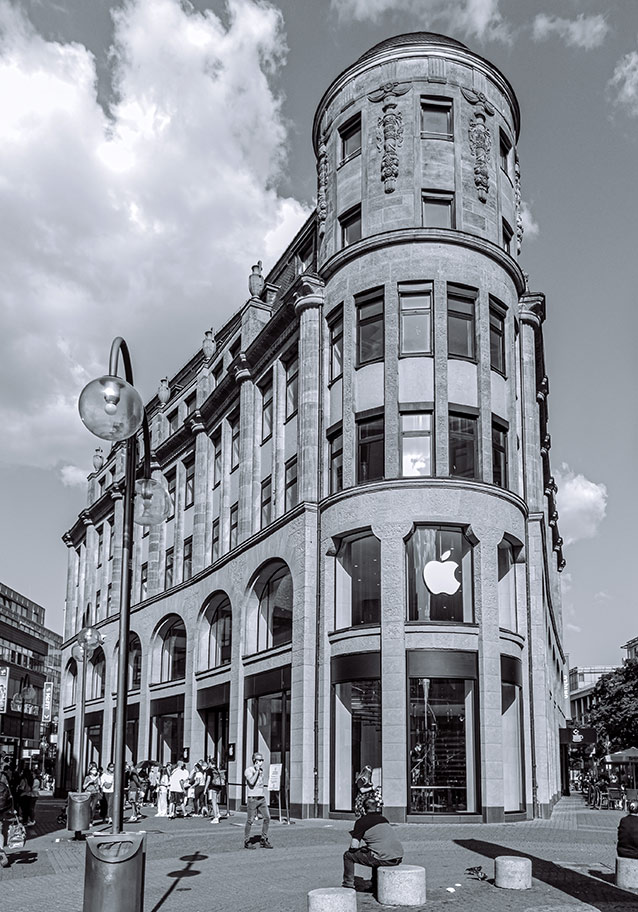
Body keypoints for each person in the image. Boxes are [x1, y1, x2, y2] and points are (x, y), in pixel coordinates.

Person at [342, 795, 404, 890]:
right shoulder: (383, 819)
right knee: (375, 852)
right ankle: (375, 884)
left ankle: (348, 884)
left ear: (363, 809)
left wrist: (360, 847)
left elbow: (353, 846)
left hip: (384, 858)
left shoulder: (361, 822)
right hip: (398, 856)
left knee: (348, 856)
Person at [243, 752, 272, 849]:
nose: (262, 762)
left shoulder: (262, 771)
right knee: (250, 820)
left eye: (262, 760)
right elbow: (251, 782)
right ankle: (247, 840)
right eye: (260, 760)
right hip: (252, 798)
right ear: (255, 761)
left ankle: (263, 839)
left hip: (261, 798)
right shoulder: (248, 770)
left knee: (267, 818)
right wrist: (257, 771)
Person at [0, 765, 14, 868]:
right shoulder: (3, 777)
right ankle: (1, 849)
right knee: (0, 828)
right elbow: (9, 795)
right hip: (1, 808)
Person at [207, 756, 223, 823]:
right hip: (218, 786)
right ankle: (218, 813)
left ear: (210, 762)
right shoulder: (217, 769)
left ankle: (216, 817)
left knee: (213, 801)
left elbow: (208, 780)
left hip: (212, 786)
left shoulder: (209, 770)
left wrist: (205, 789)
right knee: (215, 801)